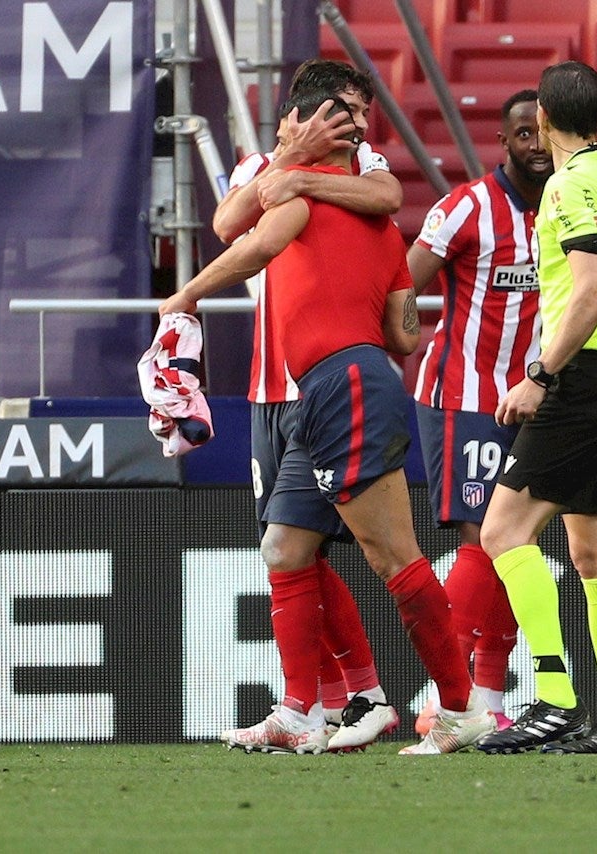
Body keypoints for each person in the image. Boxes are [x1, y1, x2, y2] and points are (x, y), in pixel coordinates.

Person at [165, 87, 495, 756]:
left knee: (393, 556)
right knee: (285, 547)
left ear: (307, 127)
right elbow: (405, 334)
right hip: (336, 385)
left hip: (343, 385)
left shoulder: (298, 195)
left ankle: (461, 709)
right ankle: (298, 711)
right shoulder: (381, 221)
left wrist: (187, 294)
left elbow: (254, 247)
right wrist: (365, 284)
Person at [476, 61, 597, 755]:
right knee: (596, 556)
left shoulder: (567, 186)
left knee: (503, 533)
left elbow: (590, 288)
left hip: (580, 380)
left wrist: (540, 374)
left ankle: (556, 698)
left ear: (542, 119)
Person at [211, 60, 403, 752]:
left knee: (304, 549)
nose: (355, 123)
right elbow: (227, 223)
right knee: (295, 555)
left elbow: (388, 196)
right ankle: (335, 701)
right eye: (342, 109)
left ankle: (349, 697)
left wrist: (304, 178)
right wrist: (287, 164)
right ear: (301, 111)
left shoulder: (363, 165)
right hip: (268, 390)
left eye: (362, 111)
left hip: (326, 383)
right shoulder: (259, 167)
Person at [406, 90, 552, 734]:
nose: (535, 145)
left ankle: (489, 696)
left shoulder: (568, 209)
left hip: (535, 401)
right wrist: (397, 344)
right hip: (465, 397)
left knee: (517, 544)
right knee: (483, 539)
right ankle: (443, 696)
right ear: (504, 140)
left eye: (542, 132)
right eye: (523, 134)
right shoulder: (466, 206)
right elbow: (402, 283)